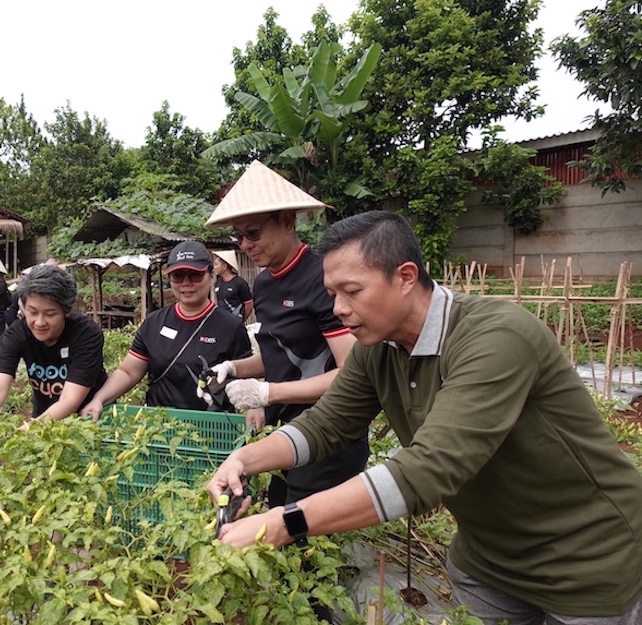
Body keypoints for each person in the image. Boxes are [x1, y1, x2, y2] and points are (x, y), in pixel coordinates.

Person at [208, 211, 642, 624]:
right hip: (487, 559)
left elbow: (431, 468)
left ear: (405, 278)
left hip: (586, 560)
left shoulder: (495, 336)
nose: (338, 308)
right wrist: (245, 461)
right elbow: (328, 423)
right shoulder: (376, 348)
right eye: (332, 294)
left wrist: (286, 521)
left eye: (352, 291)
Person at [202, 161, 368, 510]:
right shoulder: (263, 282)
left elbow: (353, 376)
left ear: (288, 221)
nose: (245, 244)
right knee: (277, 513)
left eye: (253, 233)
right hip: (287, 431)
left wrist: (267, 392)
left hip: (330, 433)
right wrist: (234, 368)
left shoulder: (322, 278)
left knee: (305, 538)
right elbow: (284, 354)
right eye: (239, 236)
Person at [80, 241, 253, 418]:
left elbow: (248, 375)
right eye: (178, 276)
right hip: (159, 426)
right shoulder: (154, 322)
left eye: (195, 275)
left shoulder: (231, 326)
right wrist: (98, 399)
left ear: (211, 276)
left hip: (213, 427)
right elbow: (128, 372)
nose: (186, 283)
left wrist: (256, 408)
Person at [0, 264, 107, 430]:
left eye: (50, 314)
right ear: (23, 306)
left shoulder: (86, 334)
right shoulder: (17, 334)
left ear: (67, 311)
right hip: (43, 421)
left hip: (87, 422)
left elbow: (69, 400)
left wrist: (22, 435)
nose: (40, 322)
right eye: (33, 312)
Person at [212, 250, 253, 321]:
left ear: (224, 266)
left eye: (216, 264)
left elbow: (249, 304)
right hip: (221, 321)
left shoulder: (240, 283)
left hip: (235, 321)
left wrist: (242, 319)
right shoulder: (218, 282)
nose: (214, 267)